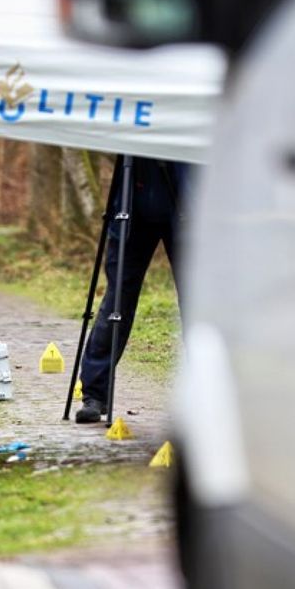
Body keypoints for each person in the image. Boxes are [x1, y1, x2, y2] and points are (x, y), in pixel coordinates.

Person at [75, 156, 187, 423]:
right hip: (132, 200)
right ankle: (95, 394)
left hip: (187, 199)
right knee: (117, 302)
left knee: (198, 301)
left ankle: (209, 391)